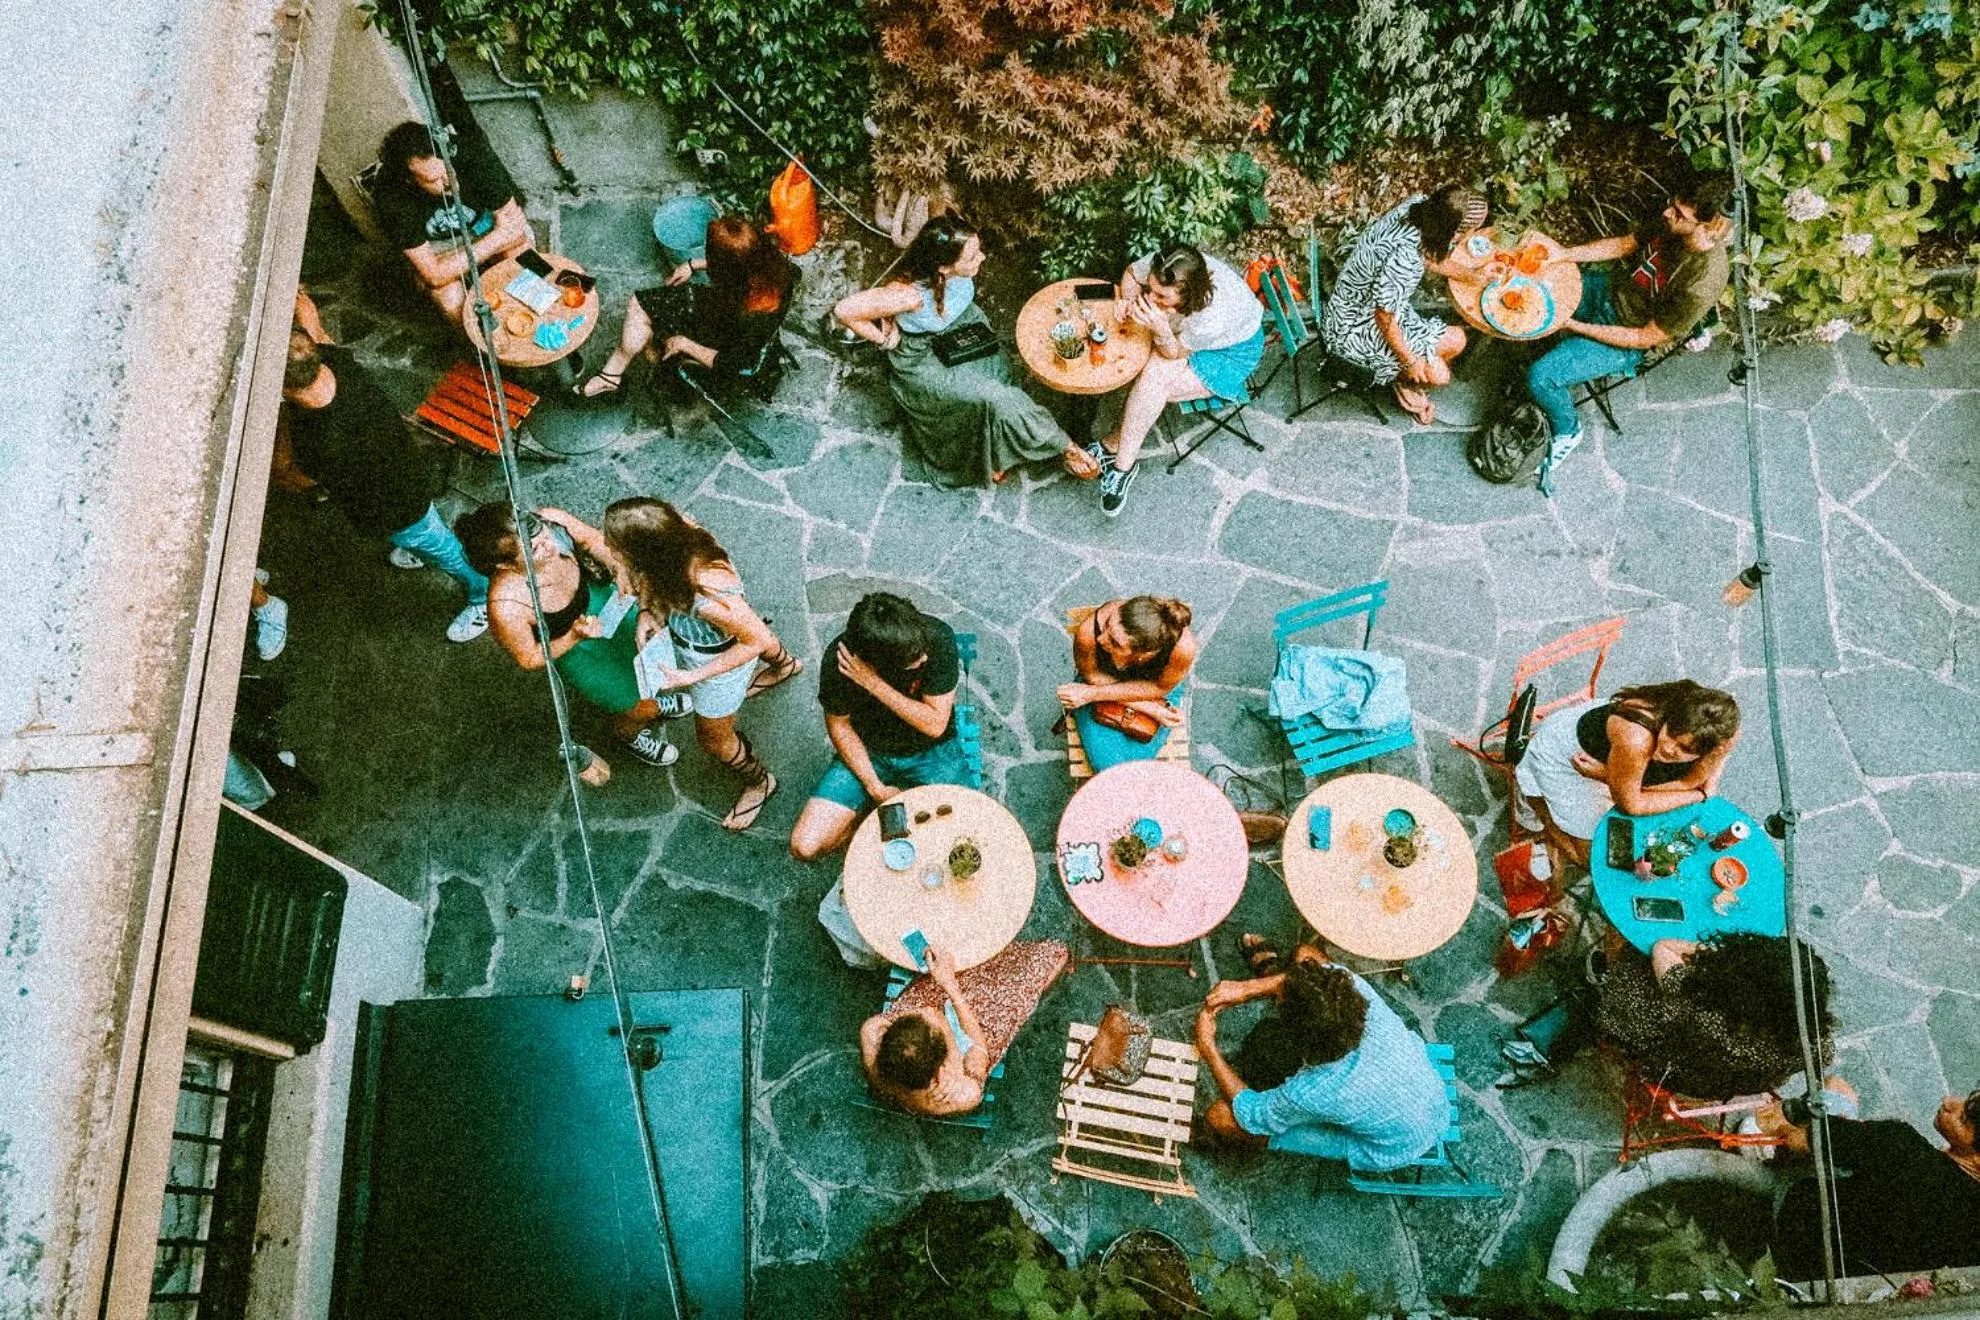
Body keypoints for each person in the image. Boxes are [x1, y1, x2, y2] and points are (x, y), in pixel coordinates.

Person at [833, 218, 1098, 487]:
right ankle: (1064, 445)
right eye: (972, 257)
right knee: (995, 398)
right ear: (944, 268)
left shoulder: (950, 251)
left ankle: (996, 447)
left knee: (997, 386)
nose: (981, 258)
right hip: (923, 358)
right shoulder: (907, 295)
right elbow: (844, 311)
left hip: (963, 331)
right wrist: (884, 339)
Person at [601, 497, 801, 830]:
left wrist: (693, 676)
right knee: (749, 627)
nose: (607, 546)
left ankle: (760, 783)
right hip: (717, 635)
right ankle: (785, 666)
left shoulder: (705, 598)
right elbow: (653, 577)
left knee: (714, 741)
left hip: (717, 661)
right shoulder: (678, 537)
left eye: (615, 546)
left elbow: (756, 639)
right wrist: (649, 611)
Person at [1523, 177, 1733, 491]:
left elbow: (1644, 338)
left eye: (1679, 214)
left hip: (1627, 336)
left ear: (1708, 228)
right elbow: (1624, 245)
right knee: (1537, 285)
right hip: (1608, 291)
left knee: (1540, 377)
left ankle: (1568, 430)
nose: (1667, 214)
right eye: (1672, 205)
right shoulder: (1670, 221)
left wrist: (1573, 325)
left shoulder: (1703, 282)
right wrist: (1562, 254)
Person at [281, 333, 489, 643]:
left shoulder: (317, 443)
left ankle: (481, 596)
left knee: (446, 549)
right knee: (427, 535)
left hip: (397, 505)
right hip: (405, 469)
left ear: (286, 388)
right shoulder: (335, 361)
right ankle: (422, 550)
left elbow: (305, 479)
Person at [455, 502, 677, 768]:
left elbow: (593, 540)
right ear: (505, 565)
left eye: (542, 533)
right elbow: (528, 657)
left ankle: (656, 698)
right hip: (579, 651)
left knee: (654, 661)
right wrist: (574, 636)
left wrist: (620, 572)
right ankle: (630, 735)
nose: (549, 544)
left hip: (605, 603)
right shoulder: (506, 605)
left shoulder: (552, 522)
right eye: (534, 550)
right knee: (637, 706)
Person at [1195, 938, 1447, 1170]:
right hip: (1432, 1098)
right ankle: (1276, 978)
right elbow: (1325, 969)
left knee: (1222, 1117)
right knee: (1307, 954)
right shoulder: (1352, 990)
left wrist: (1209, 1048)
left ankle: (1230, 1143)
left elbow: (1253, 1114)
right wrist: (1248, 988)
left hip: (1394, 1146)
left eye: (1281, 1003)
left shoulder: (1312, 1091)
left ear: (1299, 1036)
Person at [789, 593, 971, 861]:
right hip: (870, 751)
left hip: (933, 749)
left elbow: (934, 724)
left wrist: (872, 683)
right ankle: (866, 829)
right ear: (876, 660)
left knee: (966, 830)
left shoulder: (937, 638)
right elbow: (839, 725)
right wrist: (874, 786)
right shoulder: (838, 661)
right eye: (912, 659)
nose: (923, 659)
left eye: (921, 649)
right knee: (805, 846)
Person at [1094, 243, 1266, 517]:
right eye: (1150, 290)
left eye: (1160, 296)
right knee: (1150, 376)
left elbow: (1173, 351)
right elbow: (1130, 274)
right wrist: (1127, 300)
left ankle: (1120, 464)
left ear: (1188, 294)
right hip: (1189, 331)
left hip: (1229, 354)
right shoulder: (1169, 265)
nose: (1150, 298)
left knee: (1151, 380)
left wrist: (1161, 328)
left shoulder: (1211, 317)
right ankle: (1115, 448)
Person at [1764, 1084, 1980, 1281]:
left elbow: (1793, 1139)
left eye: (1963, 1118)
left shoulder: (1902, 1145)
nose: (1948, 1101)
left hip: (1794, 1230)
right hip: (1845, 1281)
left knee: (1837, 1088)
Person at [1515, 679, 1740, 867]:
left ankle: (1553, 798)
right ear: (1672, 719)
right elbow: (1633, 805)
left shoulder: (1720, 731)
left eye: (1686, 750)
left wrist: (1606, 775)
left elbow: (1691, 780)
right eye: (1671, 733)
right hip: (1565, 757)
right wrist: (1699, 795)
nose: (1669, 748)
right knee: (1591, 858)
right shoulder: (1637, 740)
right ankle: (1538, 807)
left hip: (1612, 757)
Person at [575, 215, 796, 401]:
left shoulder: (752, 317)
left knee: (639, 305)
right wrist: (693, 264)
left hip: (726, 337)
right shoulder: (779, 271)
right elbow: (743, 263)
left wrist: (684, 343)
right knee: (658, 302)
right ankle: (634, 361)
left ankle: (612, 375)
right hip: (729, 311)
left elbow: (730, 364)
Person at [1322, 185, 1488, 425]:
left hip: (1358, 304)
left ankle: (1407, 372)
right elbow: (1383, 317)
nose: (1470, 236)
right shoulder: (1405, 259)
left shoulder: (1419, 207)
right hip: (1354, 331)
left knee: (1456, 340)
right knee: (1441, 373)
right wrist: (1409, 361)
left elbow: (1430, 257)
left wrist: (1475, 277)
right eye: (1470, 231)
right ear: (1452, 233)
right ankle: (1402, 379)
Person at [1595, 933, 1832, 1100]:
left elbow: (1663, 948)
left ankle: (1601, 989)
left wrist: (1719, 955)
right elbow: (1827, 1057)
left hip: (1669, 1066)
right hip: (1716, 1084)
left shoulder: (1706, 1009)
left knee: (1632, 957)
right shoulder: (1812, 1043)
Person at [860, 941, 1069, 1117]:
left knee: (952, 955)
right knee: (1055, 954)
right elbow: (978, 1049)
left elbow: (930, 1012)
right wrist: (951, 987)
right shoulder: (963, 1093)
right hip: (981, 1024)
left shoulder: (872, 1034)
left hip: (931, 1002)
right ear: (938, 1071)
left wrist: (938, 1011)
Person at [372, 119, 532, 319]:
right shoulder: (390, 195)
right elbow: (434, 276)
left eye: (447, 168)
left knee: (523, 257)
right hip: (439, 245)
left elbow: (517, 233)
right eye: (433, 180)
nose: (449, 181)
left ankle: (528, 321)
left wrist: (450, 265)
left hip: (481, 228)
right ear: (410, 180)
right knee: (450, 299)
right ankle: (477, 345)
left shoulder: (472, 151)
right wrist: (497, 239)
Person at [1056, 596, 1198, 773]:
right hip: (1102, 685)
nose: (1101, 639)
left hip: (1154, 693)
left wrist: (1089, 694)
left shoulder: (1182, 649)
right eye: (1108, 624)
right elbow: (1092, 677)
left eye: (1115, 643)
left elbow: (1159, 688)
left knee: (1133, 768)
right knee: (1109, 769)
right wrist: (1152, 709)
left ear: (1143, 655)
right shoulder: (1088, 634)